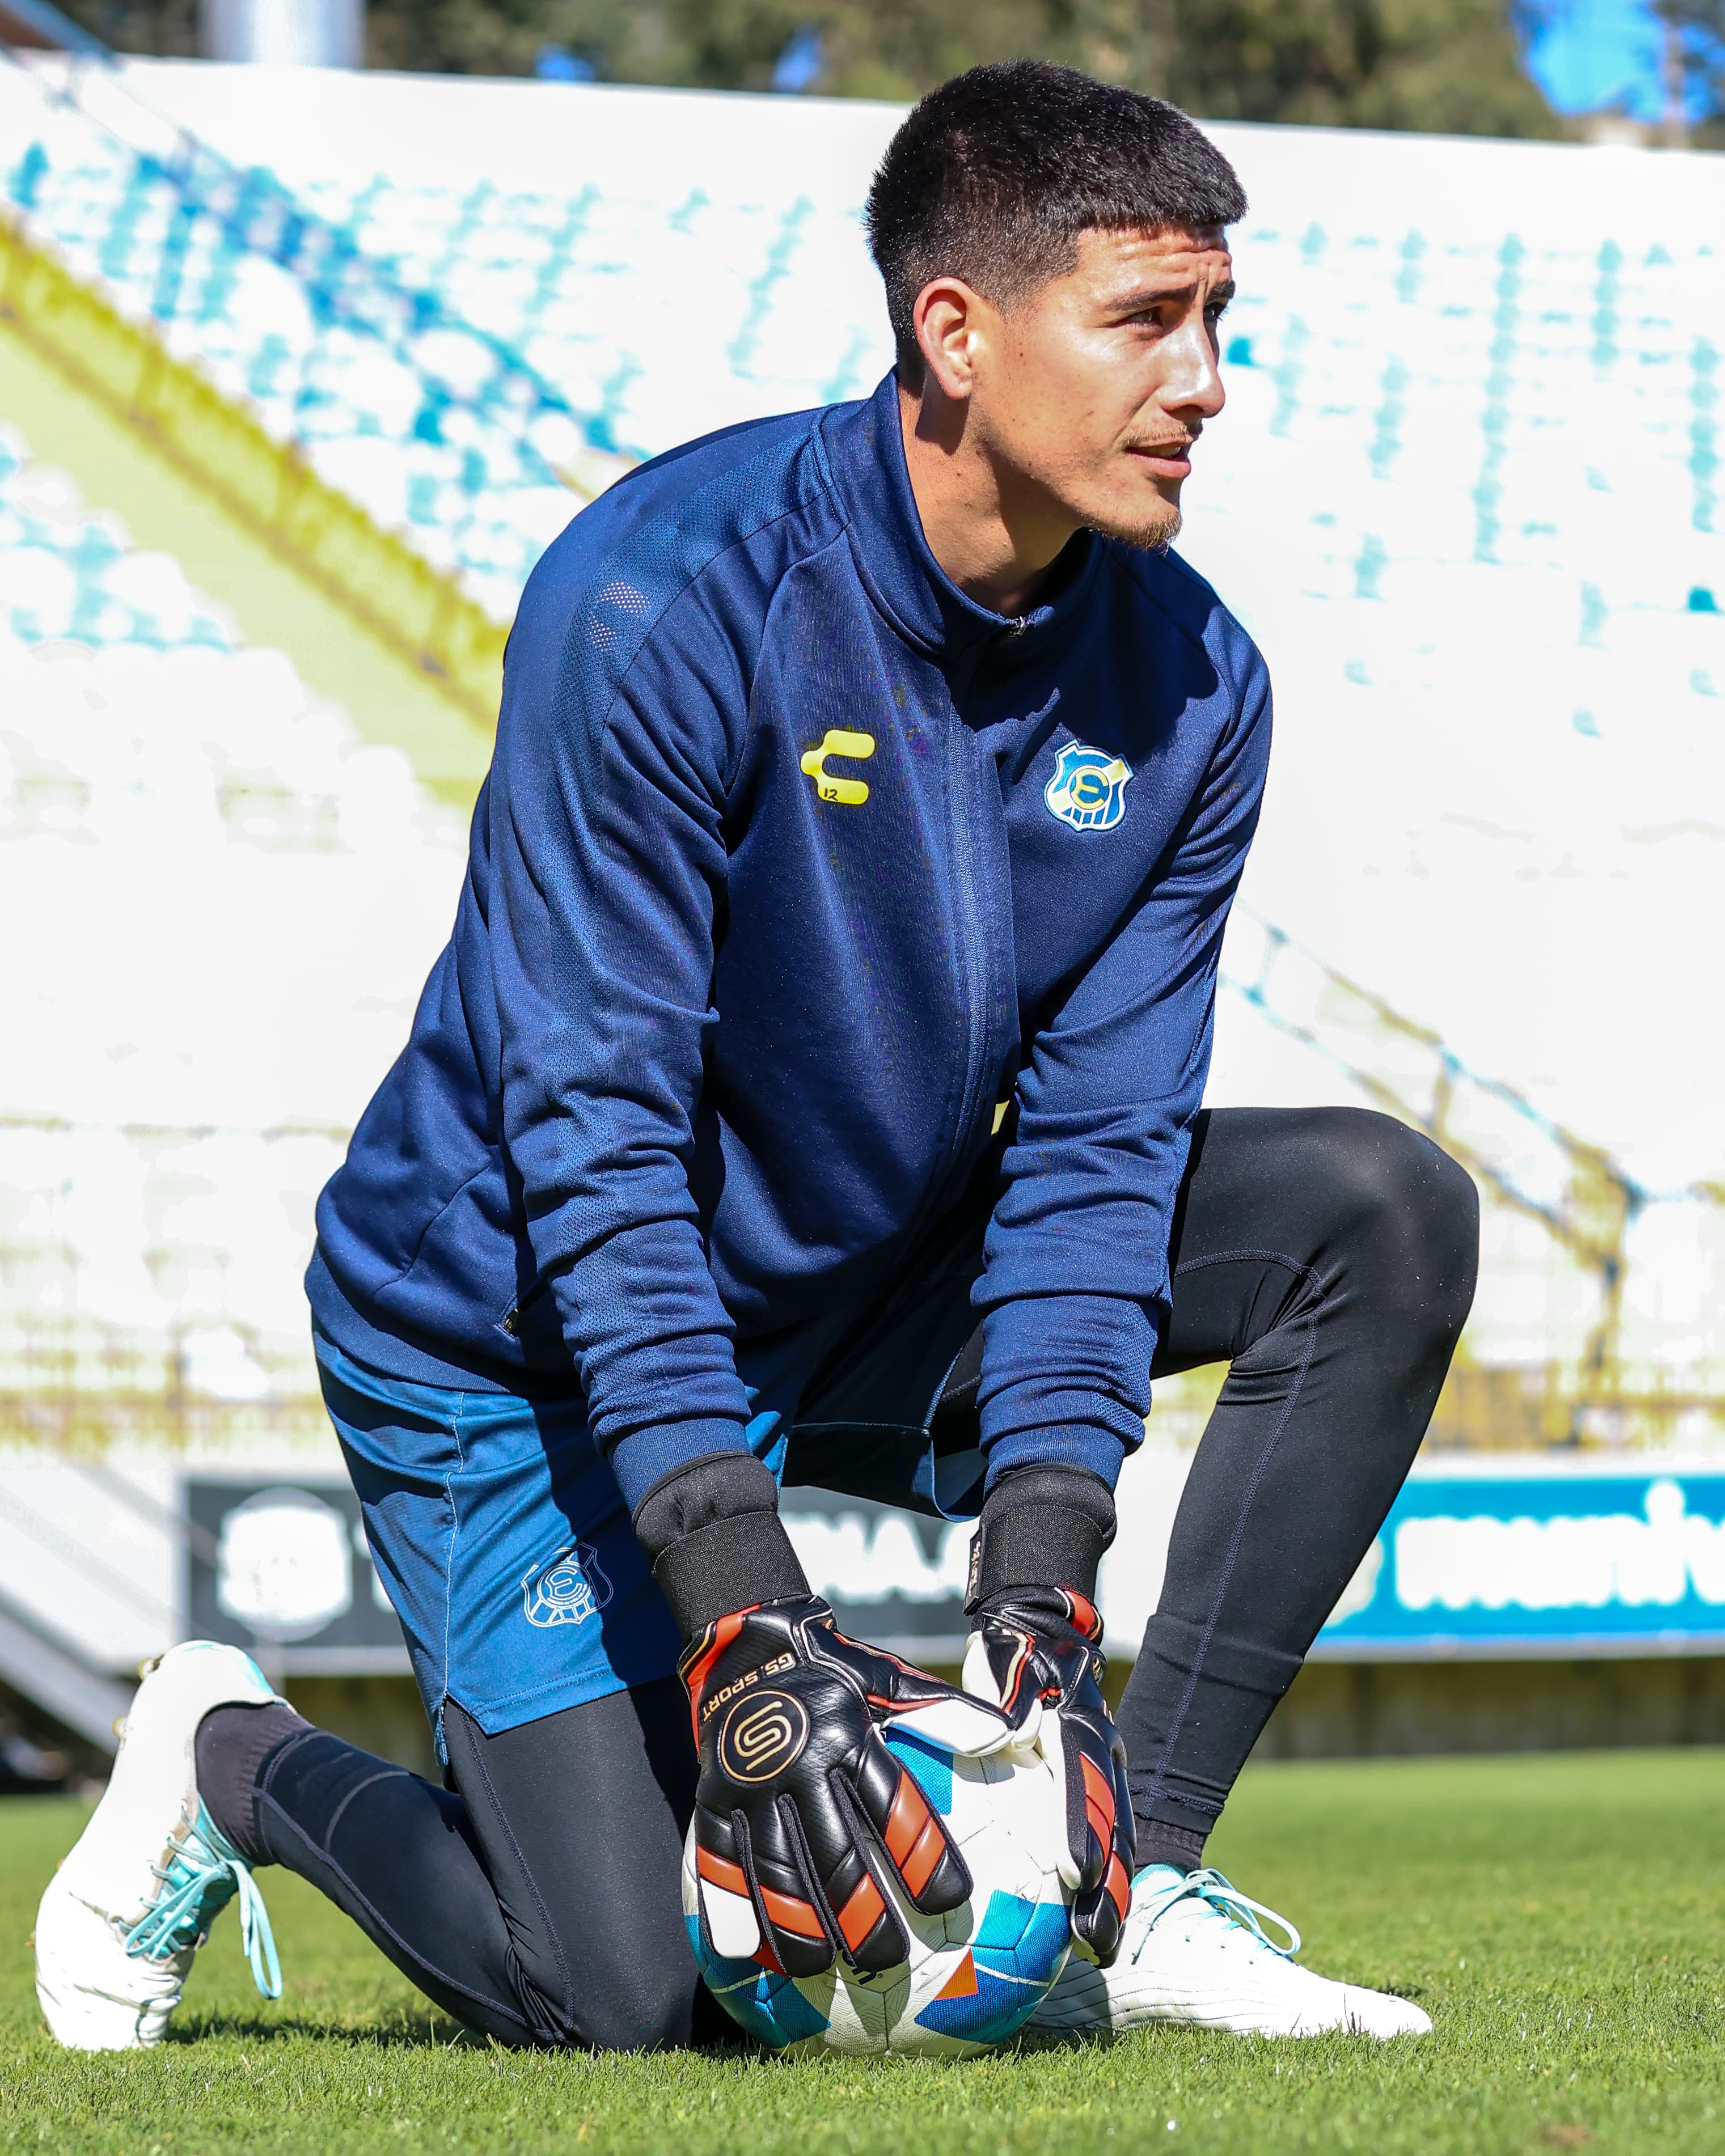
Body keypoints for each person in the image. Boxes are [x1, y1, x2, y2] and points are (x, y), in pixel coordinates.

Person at [35, 58, 1477, 2055]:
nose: (1206, 380)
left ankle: (1125, 1883)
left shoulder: (1193, 683)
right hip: (518, 1331)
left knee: (1376, 1212)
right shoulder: (665, 597)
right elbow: (595, 1133)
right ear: (954, 333)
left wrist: (1040, 1590)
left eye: (1218, 318)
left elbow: (1096, 1154)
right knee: (629, 1992)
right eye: (1147, 318)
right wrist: (739, 1599)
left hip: (860, 1271)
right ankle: (230, 1756)